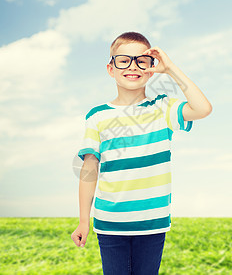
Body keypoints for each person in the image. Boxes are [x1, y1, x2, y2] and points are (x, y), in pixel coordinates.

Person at [71, 31, 212, 274]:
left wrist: (171, 69)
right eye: (124, 60)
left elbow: (202, 109)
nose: (132, 66)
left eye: (141, 61)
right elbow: (89, 170)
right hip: (110, 223)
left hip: (152, 222)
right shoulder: (97, 116)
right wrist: (84, 220)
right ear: (111, 68)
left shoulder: (163, 107)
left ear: (151, 68)